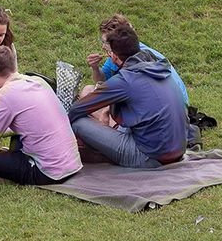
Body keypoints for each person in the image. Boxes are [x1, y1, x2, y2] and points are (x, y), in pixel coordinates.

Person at [67, 23, 189, 168]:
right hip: (179, 150)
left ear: (113, 57)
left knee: (78, 123)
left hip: (149, 158)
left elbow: (76, 110)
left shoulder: (126, 79)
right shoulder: (159, 67)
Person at [0, 45, 82, 187]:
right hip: (72, 164)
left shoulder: (4, 95)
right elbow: (29, 123)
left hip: (48, 173)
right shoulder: (37, 81)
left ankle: (11, 174)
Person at [89, 13, 190, 109]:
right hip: (172, 111)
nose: (103, 47)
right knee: (90, 92)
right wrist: (95, 68)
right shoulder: (120, 53)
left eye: (106, 42)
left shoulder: (140, 59)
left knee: (91, 100)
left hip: (170, 109)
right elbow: (102, 80)